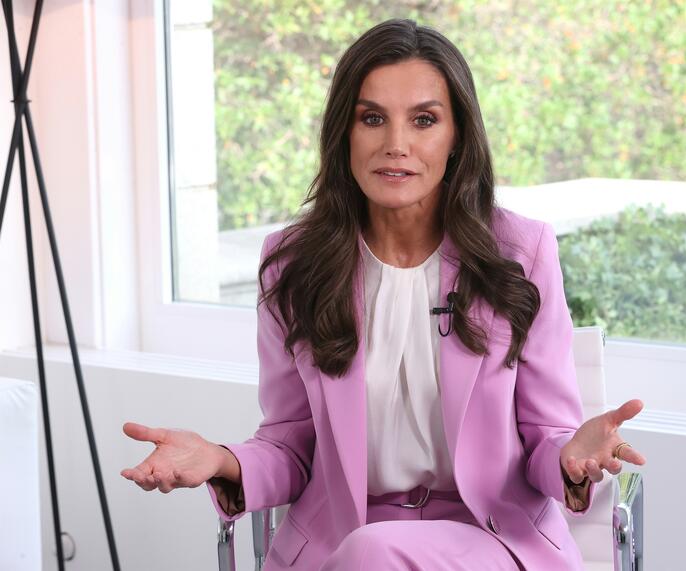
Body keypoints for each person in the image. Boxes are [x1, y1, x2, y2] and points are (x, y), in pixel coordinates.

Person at [121, 18, 646, 570]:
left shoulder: (520, 253)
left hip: (489, 537)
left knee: (372, 554)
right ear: (344, 133)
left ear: (458, 136)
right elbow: (291, 446)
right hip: (341, 538)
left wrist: (571, 454)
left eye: (424, 120)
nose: (396, 145)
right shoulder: (293, 266)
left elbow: (545, 438)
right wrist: (221, 460)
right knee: (368, 552)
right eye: (372, 118)